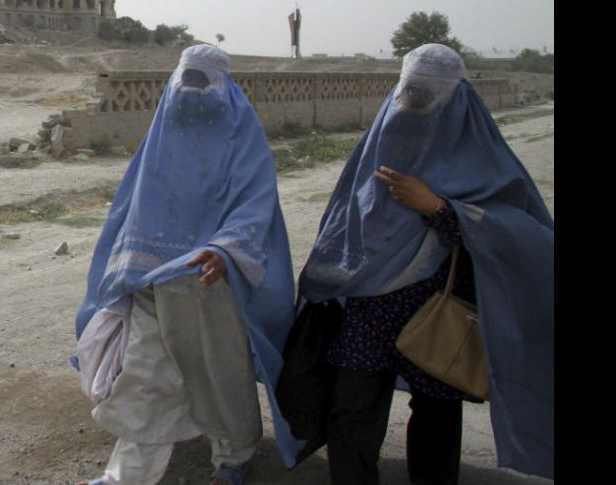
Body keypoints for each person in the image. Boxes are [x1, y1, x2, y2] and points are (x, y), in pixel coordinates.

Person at [294, 44, 554, 484]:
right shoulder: (381, 140)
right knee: (353, 407)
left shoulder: (480, 155)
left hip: (437, 306)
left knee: (436, 413)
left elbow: (519, 233)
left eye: (428, 94)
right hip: (369, 305)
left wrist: (439, 208)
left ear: (457, 97)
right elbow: (344, 217)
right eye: (409, 92)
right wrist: (324, 277)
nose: (414, 104)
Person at [72, 44, 301, 485]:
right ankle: (125, 476)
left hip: (211, 282)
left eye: (203, 82)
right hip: (149, 280)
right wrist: (124, 263)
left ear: (224, 86)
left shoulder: (242, 139)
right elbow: (131, 206)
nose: (192, 93)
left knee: (220, 376)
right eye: (186, 80)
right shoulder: (162, 135)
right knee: (145, 375)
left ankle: (233, 457)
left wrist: (225, 250)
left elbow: (255, 204)